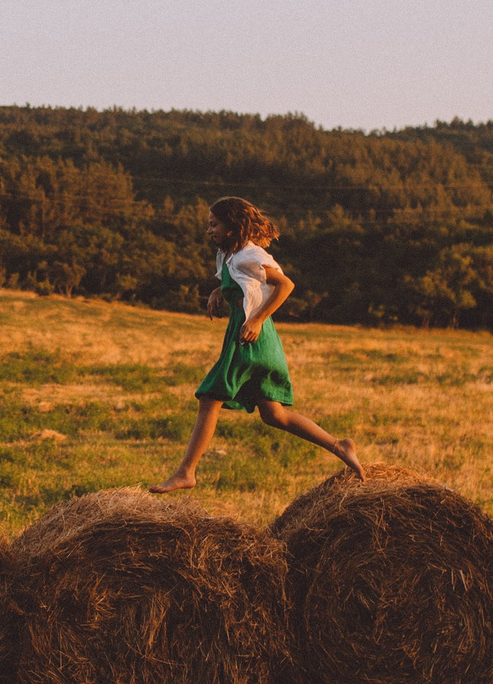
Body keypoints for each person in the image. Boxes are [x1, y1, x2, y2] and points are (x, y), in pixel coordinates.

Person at [150, 196, 362, 493]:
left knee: (210, 397)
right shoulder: (229, 256)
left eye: (214, 224)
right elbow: (245, 285)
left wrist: (258, 319)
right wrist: (217, 292)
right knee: (274, 414)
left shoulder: (248, 255)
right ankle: (339, 446)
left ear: (231, 226)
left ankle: (186, 472)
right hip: (253, 335)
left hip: (250, 335)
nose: (209, 231)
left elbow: (285, 285)